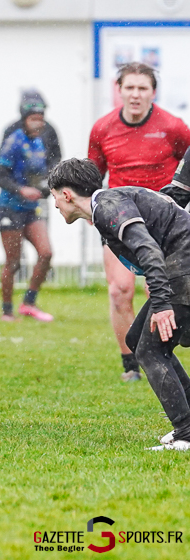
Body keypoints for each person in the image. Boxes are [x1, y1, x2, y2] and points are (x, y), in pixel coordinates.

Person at [49, 158, 190, 451]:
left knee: (151, 350)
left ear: (66, 194)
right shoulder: (109, 203)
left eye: (54, 197)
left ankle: (186, 433)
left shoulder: (108, 207)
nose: (55, 205)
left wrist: (162, 303)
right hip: (179, 270)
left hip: (183, 271)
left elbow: (148, 249)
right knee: (136, 339)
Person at [88, 62, 190, 382]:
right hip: (119, 221)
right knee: (119, 291)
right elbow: (93, 177)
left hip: (161, 224)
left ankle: (157, 357)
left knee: (155, 291)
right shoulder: (102, 128)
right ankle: (130, 364)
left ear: (153, 92)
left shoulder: (174, 127)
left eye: (142, 88)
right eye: (129, 87)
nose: (135, 94)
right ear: (118, 90)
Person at [0, 91, 58, 322]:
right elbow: (0, 178)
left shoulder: (40, 142)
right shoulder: (13, 141)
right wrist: (22, 190)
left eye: (41, 118)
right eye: (34, 119)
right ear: (24, 119)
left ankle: (29, 303)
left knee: (46, 253)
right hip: (9, 208)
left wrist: (44, 187)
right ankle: (7, 311)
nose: (38, 123)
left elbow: (45, 170)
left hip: (31, 208)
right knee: (13, 261)